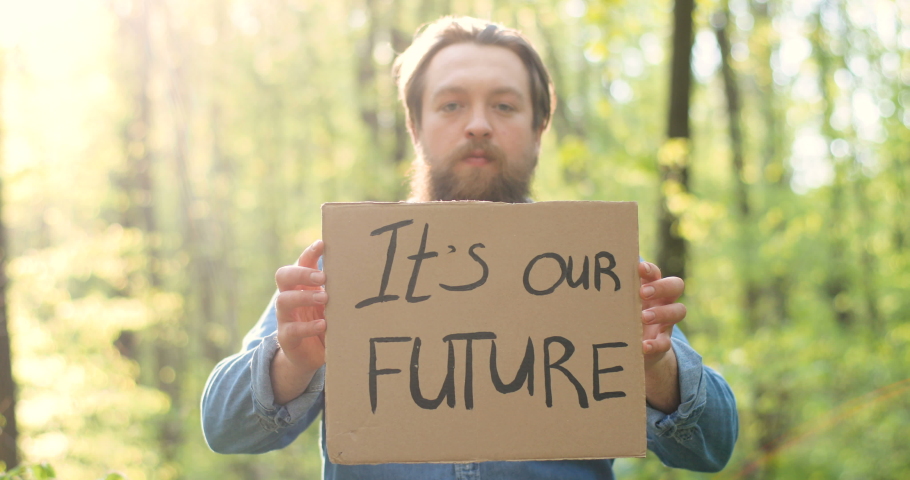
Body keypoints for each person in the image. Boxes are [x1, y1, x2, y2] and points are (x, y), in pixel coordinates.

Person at [201, 16, 738, 479]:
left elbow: (713, 444)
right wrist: (290, 364)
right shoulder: (347, 266)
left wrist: (657, 370)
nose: (478, 125)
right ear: (416, 126)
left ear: (539, 127)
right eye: (452, 104)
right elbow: (224, 428)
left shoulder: (593, 268)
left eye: (504, 106)